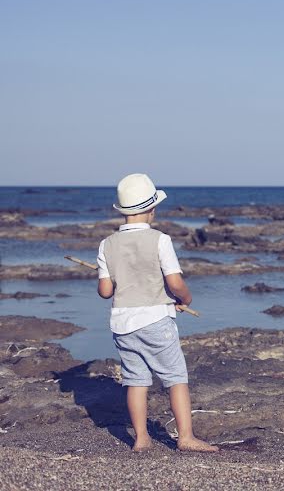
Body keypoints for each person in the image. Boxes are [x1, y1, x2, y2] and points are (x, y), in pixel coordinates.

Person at [97, 173, 218, 453]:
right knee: (175, 378)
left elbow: (105, 291)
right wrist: (184, 298)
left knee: (136, 381)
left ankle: (141, 439)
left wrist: (114, 277)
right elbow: (175, 283)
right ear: (152, 209)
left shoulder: (107, 245)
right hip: (155, 320)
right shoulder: (160, 240)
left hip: (122, 324)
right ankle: (185, 437)